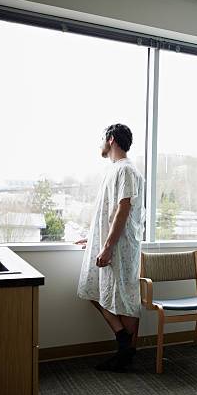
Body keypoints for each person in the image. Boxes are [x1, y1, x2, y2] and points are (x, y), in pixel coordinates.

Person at [76, 123, 145, 372]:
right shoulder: (114, 170)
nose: (101, 145)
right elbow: (108, 212)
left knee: (124, 298)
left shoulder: (126, 169)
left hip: (120, 248)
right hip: (111, 244)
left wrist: (106, 247)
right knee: (93, 290)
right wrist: (94, 239)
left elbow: (123, 209)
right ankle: (124, 343)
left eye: (102, 140)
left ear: (111, 139)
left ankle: (126, 352)